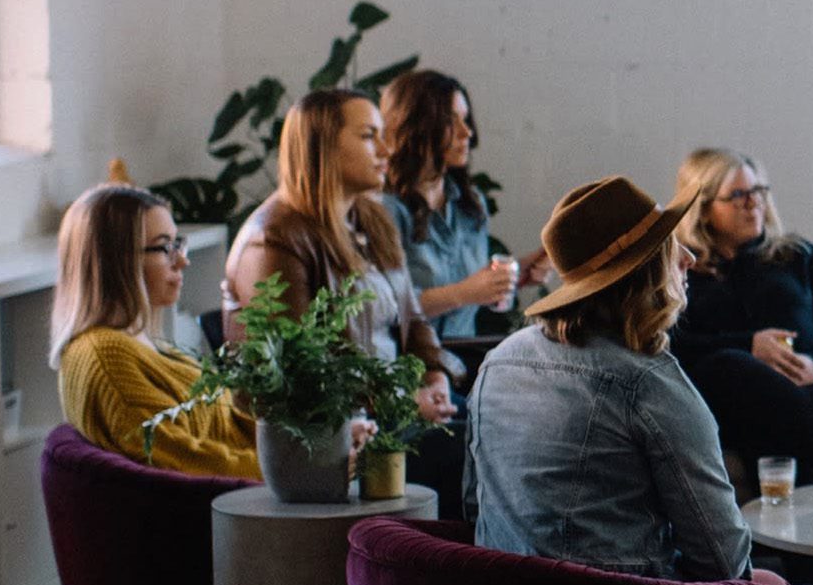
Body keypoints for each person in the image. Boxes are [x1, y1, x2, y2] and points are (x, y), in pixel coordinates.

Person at [469, 175, 813, 585]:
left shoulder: (499, 362)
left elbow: (474, 507)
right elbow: (722, 564)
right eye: (671, 246)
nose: (688, 257)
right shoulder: (649, 380)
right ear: (642, 271)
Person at [223, 89, 457, 427]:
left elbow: (412, 316)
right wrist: (400, 402)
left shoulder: (371, 219)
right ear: (323, 146)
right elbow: (299, 373)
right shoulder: (273, 239)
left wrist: (435, 375)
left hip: (395, 405)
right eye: (367, 136)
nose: (386, 150)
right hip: (336, 430)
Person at [667, 148, 813, 486]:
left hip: (809, 396)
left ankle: (775, 535)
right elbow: (671, 343)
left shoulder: (799, 256)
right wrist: (749, 347)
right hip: (724, 402)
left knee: (764, 429)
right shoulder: (682, 270)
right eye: (738, 195)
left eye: (758, 191)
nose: (753, 203)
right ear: (704, 209)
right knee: (728, 365)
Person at [49, 183, 257, 478]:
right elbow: (183, 459)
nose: (182, 260)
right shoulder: (105, 356)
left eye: (178, 244)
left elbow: (227, 425)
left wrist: (318, 445)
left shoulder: (143, 344)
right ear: (117, 260)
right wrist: (294, 472)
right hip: (215, 512)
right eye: (164, 247)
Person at [373, 69, 551, 343]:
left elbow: (470, 289)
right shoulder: (384, 209)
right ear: (414, 125)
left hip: (463, 359)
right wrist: (463, 293)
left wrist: (515, 275)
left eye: (465, 119)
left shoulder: (471, 204)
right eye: (450, 121)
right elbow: (382, 308)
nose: (466, 132)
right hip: (407, 367)